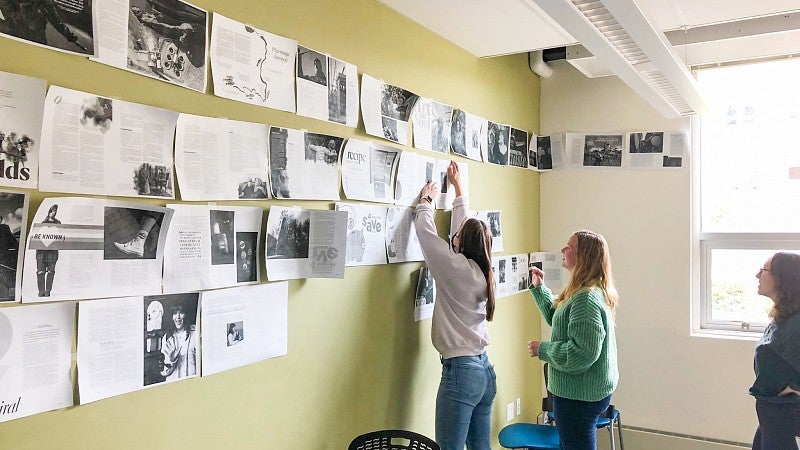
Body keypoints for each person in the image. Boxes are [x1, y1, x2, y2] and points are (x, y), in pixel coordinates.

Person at [414, 160, 497, 450]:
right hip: (484, 371)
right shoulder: (482, 269)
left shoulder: (456, 269)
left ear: (462, 245)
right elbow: (466, 229)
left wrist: (426, 201)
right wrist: (460, 189)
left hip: (461, 373)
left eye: (457, 237)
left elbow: (426, 235)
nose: (454, 237)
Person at [528, 230, 619, 450]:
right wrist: (540, 289)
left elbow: (581, 354)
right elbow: (560, 320)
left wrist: (544, 349)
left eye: (568, 247)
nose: (562, 250)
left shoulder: (586, 298)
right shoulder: (583, 291)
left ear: (583, 256)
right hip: (581, 393)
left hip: (579, 396)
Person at [750, 252, 800, 450]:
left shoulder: (797, 322)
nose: (757, 275)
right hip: (771, 409)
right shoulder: (784, 316)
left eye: (764, 270)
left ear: (781, 279)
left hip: (782, 410)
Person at [160, 302, 197, 380]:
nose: (178, 317)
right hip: (174, 386)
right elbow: (165, 372)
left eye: (181, 313)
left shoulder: (196, 332)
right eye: (174, 313)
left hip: (192, 384)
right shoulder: (167, 337)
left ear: (186, 314)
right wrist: (172, 360)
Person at [35, 204, 60, 297]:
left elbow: (60, 236)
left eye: (55, 211)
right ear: (49, 211)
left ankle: (47, 291)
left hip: (52, 252)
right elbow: (37, 237)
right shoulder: (42, 223)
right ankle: (41, 291)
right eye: (52, 211)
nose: (53, 213)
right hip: (41, 252)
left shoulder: (58, 223)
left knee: (51, 272)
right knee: (40, 272)